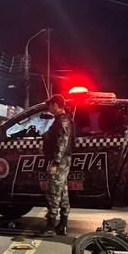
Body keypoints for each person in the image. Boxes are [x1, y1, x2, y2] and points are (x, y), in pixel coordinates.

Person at [41, 94, 74, 235]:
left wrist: (55, 162)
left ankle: (50, 226)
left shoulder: (62, 121)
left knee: (53, 191)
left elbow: (62, 142)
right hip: (62, 160)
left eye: (49, 105)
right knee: (62, 191)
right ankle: (63, 224)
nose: (48, 107)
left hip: (59, 161)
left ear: (55, 105)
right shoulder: (61, 120)